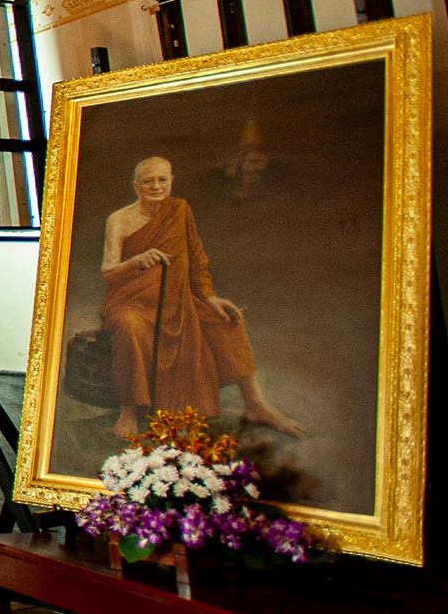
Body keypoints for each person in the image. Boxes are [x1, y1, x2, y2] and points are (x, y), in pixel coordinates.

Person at [99, 157, 304, 440]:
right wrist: (137, 261)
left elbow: (196, 259)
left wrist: (210, 297)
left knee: (228, 320)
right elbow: (108, 272)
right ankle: (128, 412)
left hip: (177, 299)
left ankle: (255, 404)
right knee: (131, 327)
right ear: (136, 185)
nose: (156, 186)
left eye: (162, 179)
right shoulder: (119, 219)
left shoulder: (180, 210)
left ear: (172, 180)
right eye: (148, 181)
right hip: (130, 302)